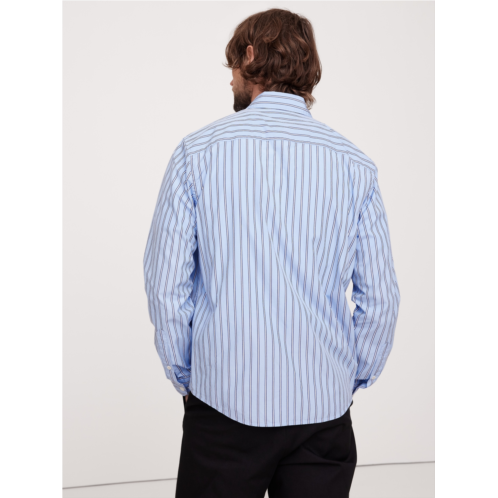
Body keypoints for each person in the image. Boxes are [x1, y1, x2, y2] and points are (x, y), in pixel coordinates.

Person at [144, 8, 400, 498]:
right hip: (322, 416)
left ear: (249, 55)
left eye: (232, 68)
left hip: (222, 409)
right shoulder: (355, 165)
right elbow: (381, 300)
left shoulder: (196, 154)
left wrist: (190, 377)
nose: (231, 81)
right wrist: (345, 380)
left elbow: (165, 287)